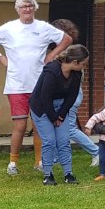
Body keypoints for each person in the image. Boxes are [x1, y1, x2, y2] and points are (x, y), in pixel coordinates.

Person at [0, 0, 72, 175]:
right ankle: (13, 162)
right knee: (20, 125)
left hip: (40, 83)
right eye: (23, 6)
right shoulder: (9, 27)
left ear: (35, 8)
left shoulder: (43, 27)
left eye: (30, 6)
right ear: (17, 9)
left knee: (39, 125)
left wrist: (52, 55)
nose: (27, 9)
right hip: (16, 84)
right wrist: (0, 57)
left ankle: (40, 161)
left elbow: (66, 39)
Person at [29, 45, 89, 185]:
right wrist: (53, 117)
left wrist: (60, 115)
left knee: (63, 140)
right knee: (49, 141)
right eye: (84, 64)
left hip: (61, 107)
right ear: (75, 62)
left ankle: (68, 173)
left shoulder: (76, 74)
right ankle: (48, 174)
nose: (84, 67)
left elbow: (72, 97)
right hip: (42, 108)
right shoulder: (52, 71)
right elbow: (45, 97)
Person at [50, 18, 100, 167]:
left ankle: (96, 151)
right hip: (69, 94)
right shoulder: (67, 51)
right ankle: (56, 158)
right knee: (58, 127)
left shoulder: (69, 53)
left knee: (69, 128)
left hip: (72, 94)